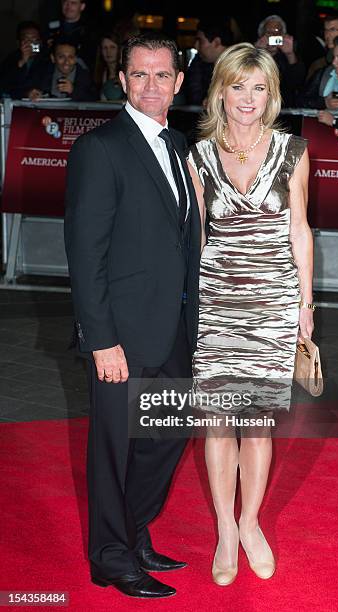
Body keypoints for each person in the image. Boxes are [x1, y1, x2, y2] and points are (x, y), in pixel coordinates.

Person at [64, 34, 201, 599]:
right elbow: (85, 251)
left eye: (161, 75)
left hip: (176, 329)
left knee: (165, 439)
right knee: (115, 449)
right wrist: (100, 339)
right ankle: (111, 556)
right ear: (122, 81)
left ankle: (135, 531)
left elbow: (183, 242)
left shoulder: (181, 146)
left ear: (178, 81)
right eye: (139, 75)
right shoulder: (101, 149)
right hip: (121, 334)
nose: (151, 85)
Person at [187, 42, 314, 585]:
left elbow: (300, 230)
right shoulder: (198, 156)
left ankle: (250, 522)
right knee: (217, 426)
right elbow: (193, 238)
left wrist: (306, 308)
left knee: (256, 426)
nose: (247, 97)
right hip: (215, 304)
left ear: (271, 94)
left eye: (258, 87)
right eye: (237, 85)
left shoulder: (293, 150)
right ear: (220, 89)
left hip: (272, 305)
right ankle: (223, 528)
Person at [255, 14, 306, 107]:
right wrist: (257, 52)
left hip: (283, 109)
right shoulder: (254, 53)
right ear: (261, 35)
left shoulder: (287, 56)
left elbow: (297, 83)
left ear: (283, 35)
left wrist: (290, 54)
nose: (273, 35)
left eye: (277, 31)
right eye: (268, 32)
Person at [28, 38, 97, 101]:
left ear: (76, 59)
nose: (66, 62)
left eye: (71, 57)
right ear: (53, 58)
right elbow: (23, 89)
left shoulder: (85, 77)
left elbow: (95, 100)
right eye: (61, 57)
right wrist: (32, 94)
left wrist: (73, 91)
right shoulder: (42, 74)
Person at [184, 19, 234, 105]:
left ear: (216, 42)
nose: (195, 46)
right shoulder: (201, 63)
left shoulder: (239, 68)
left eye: (200, 41)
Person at [0, 21, 48, 99]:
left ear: (40, 42)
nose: (30, 44)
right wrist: (22, 62)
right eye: (26, 40)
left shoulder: (48, 58)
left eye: (35, 40)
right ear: (18, 43)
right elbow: (4, 86)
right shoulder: (11, 59)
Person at [46, 0, 97, 71]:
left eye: (73, 3)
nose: (68, 6)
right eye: (65, 2)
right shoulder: (52, 28)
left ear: (82, 6)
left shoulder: (90, 32)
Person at [94, 33, 124, 101]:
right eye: (105, 48)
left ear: (119, 49)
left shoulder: (126, 72)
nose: (108, 52)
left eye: (112, 47)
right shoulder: (99, 73)